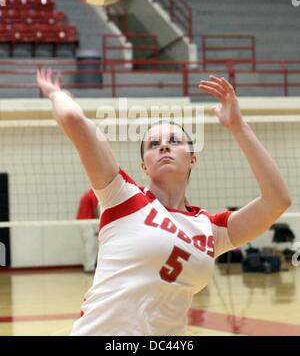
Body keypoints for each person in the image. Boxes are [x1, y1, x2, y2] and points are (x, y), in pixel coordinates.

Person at [36, 69, 292, 336]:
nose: (164, 147)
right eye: (153, 144)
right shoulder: (124, 198)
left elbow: (277, 200)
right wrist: (55, 93)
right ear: (143, 166)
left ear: (193, 159)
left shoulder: (210, 229)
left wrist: (238, 126)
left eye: (174, 141)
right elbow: (72, 118)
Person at [76, 189, 99, 272]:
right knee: (90, 244)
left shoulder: (88, 193)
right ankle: (89, 267)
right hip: (86, 221)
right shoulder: (93, 195)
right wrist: (99, 221)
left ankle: (87, 265)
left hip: (83, 221)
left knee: (88, 244)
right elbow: (95, 209)